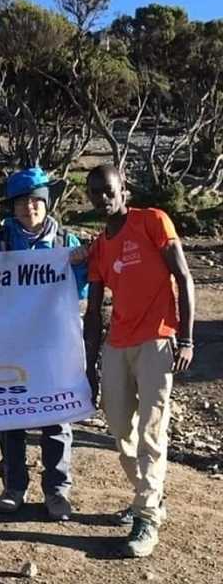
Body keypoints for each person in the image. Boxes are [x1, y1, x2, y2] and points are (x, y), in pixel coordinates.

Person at [83, 164, 195, 558]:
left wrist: (187, 339)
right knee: (119, 428)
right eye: (95, 192)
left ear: (123, 189)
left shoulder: (152, 222)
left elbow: (183, 277)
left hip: (158, 341)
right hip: (117, 344)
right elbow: (93, 312)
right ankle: (151, 496)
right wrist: (90, 365)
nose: (102, 198)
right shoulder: (99, 246)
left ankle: (146, 517)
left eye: (108, 190)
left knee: (150, 431)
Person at [0, 167, 88, 521]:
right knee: (12, 416)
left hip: (54, 345)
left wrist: (78, 264)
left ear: (45, 203)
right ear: (11, 207)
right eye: (20, 202)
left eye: (34, 201)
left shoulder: (66, 244)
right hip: (12, 344)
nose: (28, 208)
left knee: (56, 417)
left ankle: (57, 491)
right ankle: (14, 485)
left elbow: (83, 291)